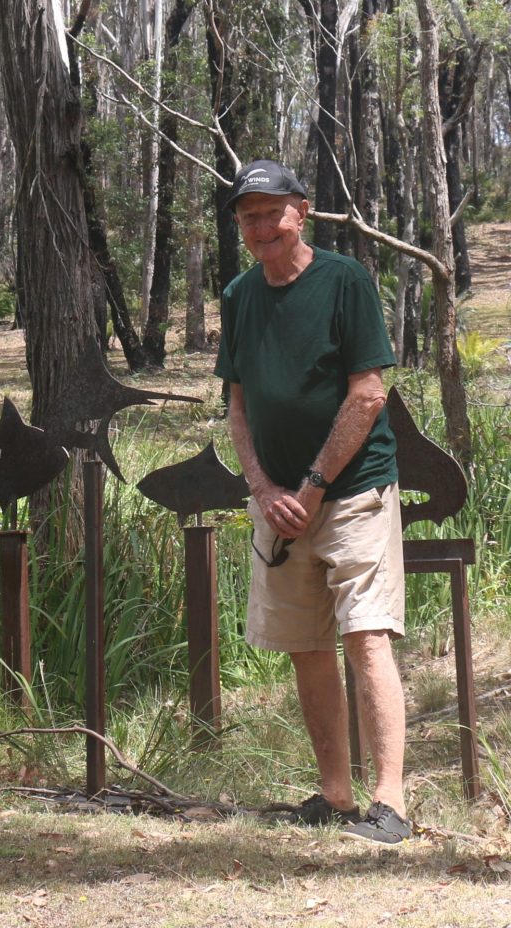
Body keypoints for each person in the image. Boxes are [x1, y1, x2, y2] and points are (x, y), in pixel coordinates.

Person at [214, 159, 411, 845]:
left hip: (352, 489)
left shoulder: (343, 280)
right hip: (279, 504)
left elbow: (368, 393)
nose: (262, 226)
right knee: (305, 646)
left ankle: (390, 802)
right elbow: (237, 406)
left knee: (365, 634)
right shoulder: (240, 295)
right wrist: (264, 489)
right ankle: (336, 795)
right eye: (249, 216)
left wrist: (313, 486)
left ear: (301, 210)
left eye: (273, 212)